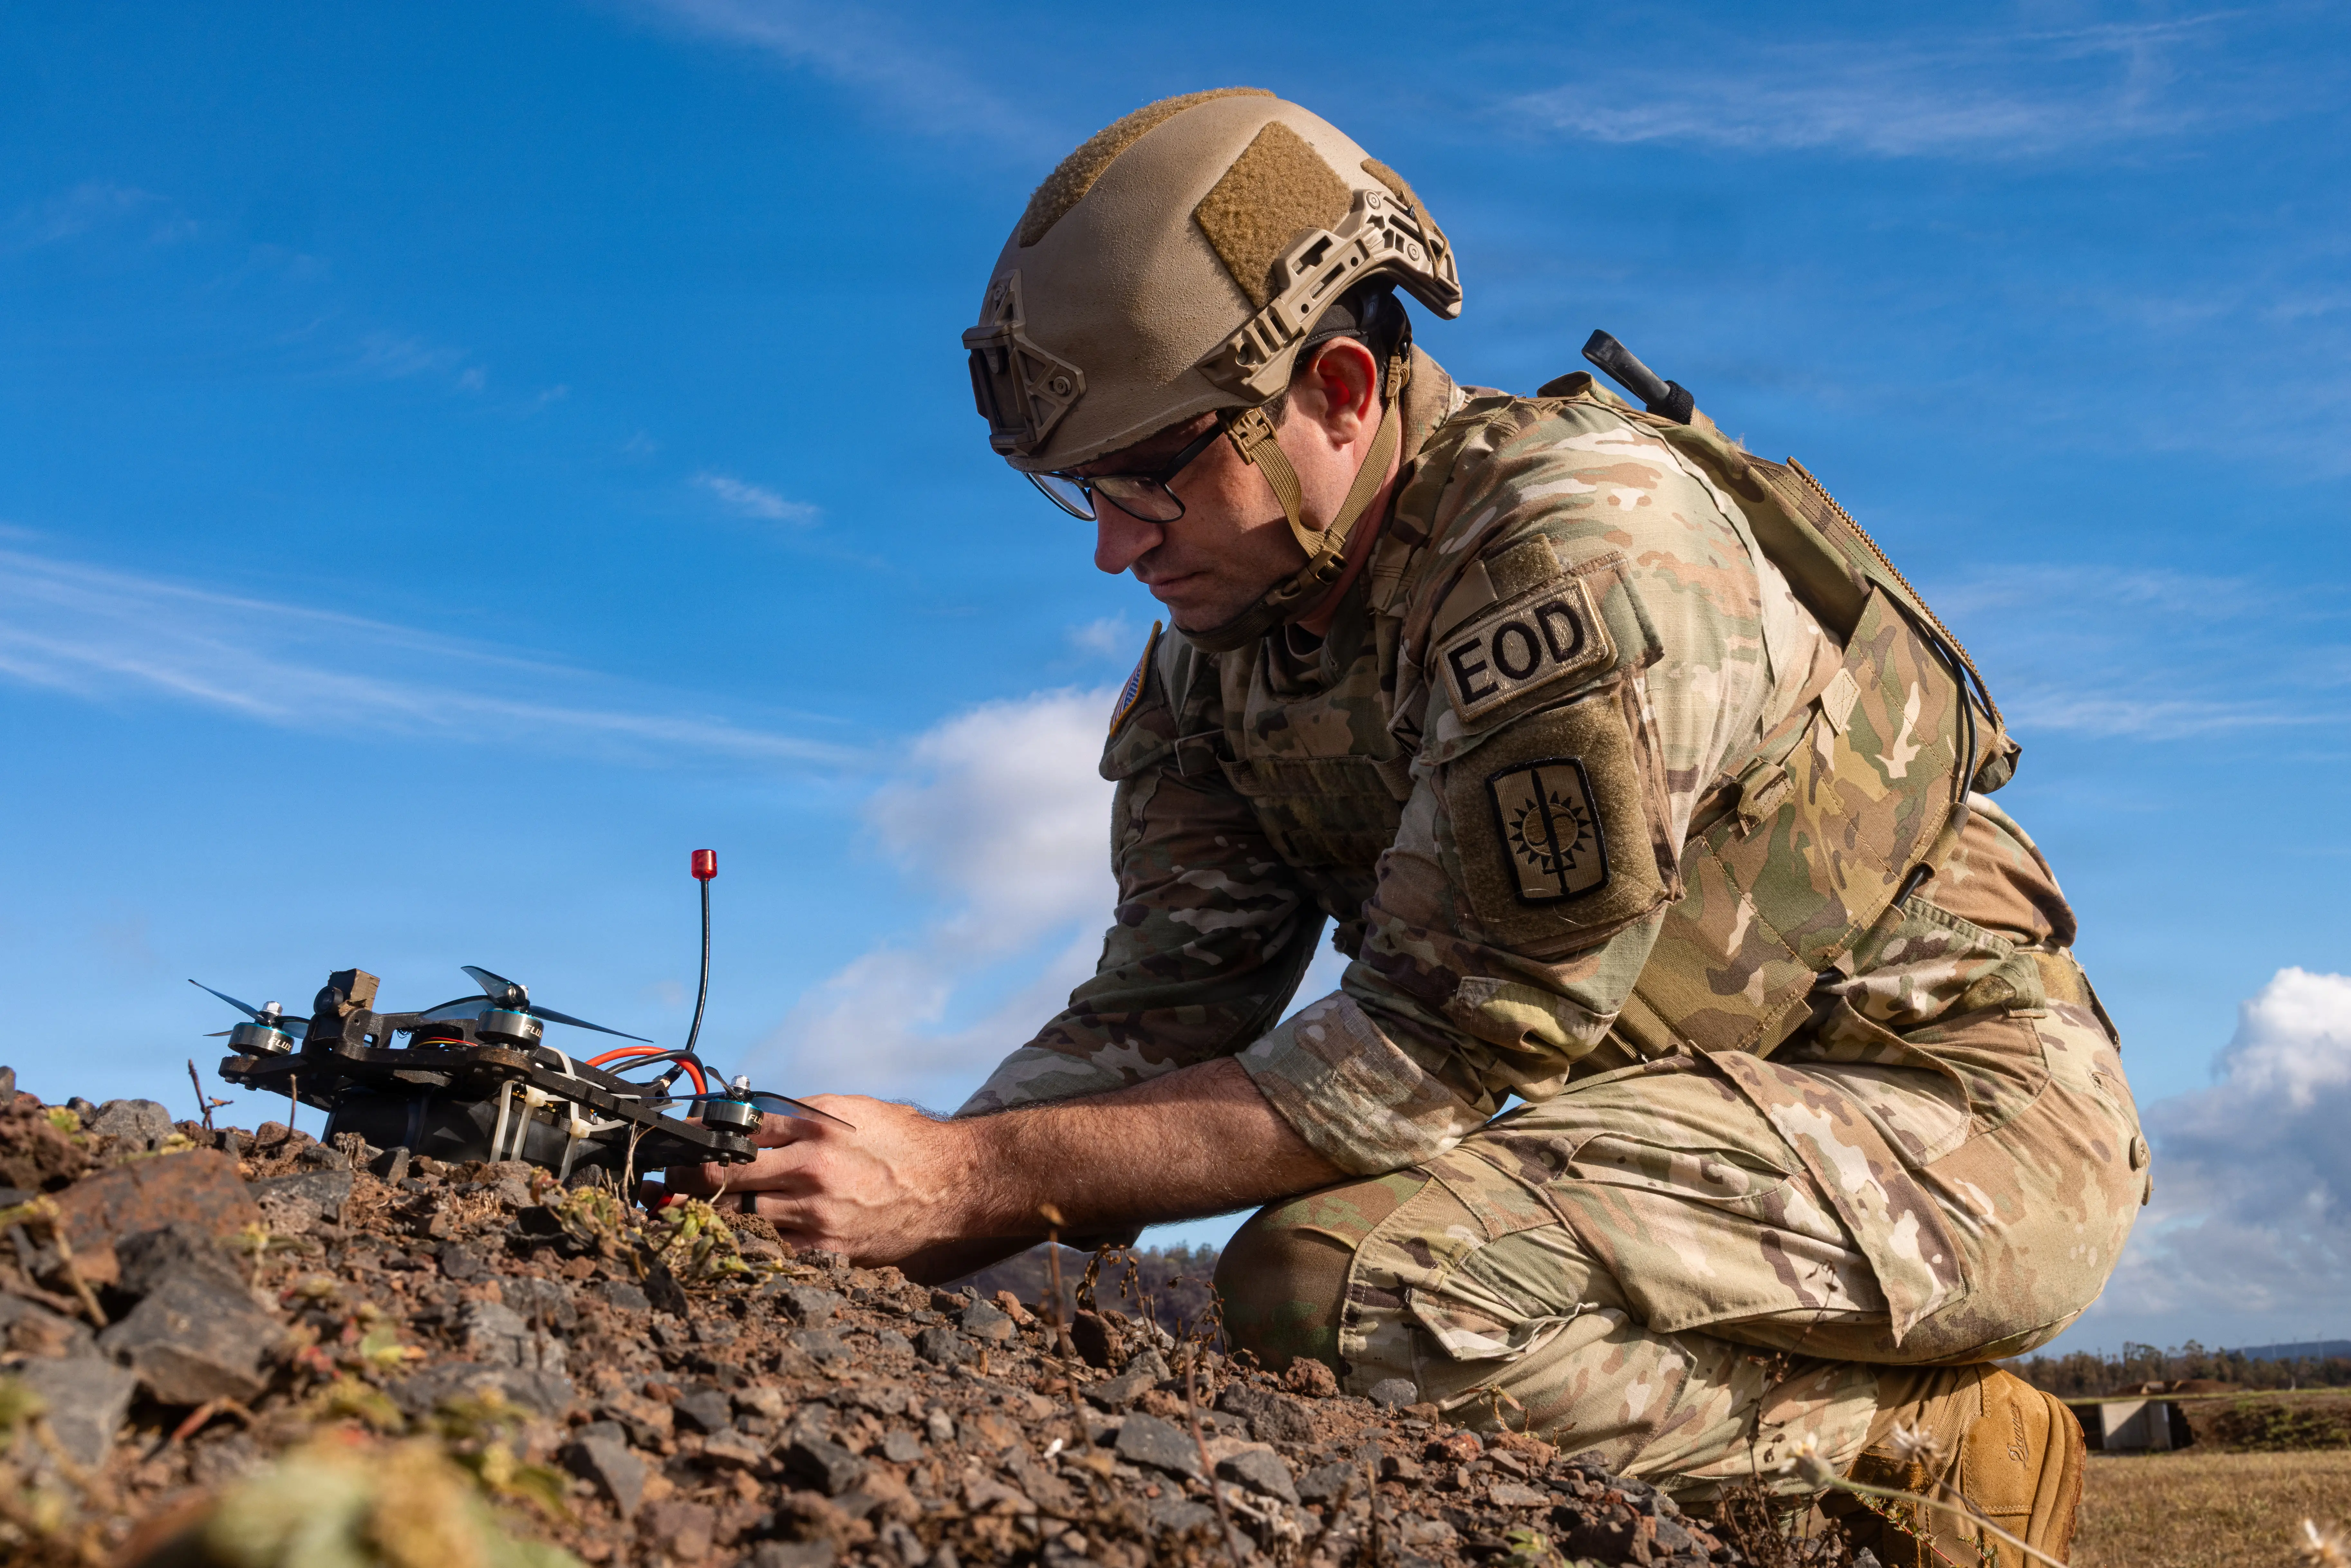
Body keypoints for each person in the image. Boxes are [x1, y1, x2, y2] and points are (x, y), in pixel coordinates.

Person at [669, 89, 2146, 1563]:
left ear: (1337, 391)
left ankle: (1927, 1448)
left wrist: (964, 1181)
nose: (1116, 547)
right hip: (1697, 1128)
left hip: (1957, 1122)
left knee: (1336, 1291)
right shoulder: (1220, 652)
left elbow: (1441, 1047)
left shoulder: (1579, 559)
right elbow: (1164, 1010)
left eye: (1152, 476)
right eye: (1081, 494)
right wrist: (873, 1195)